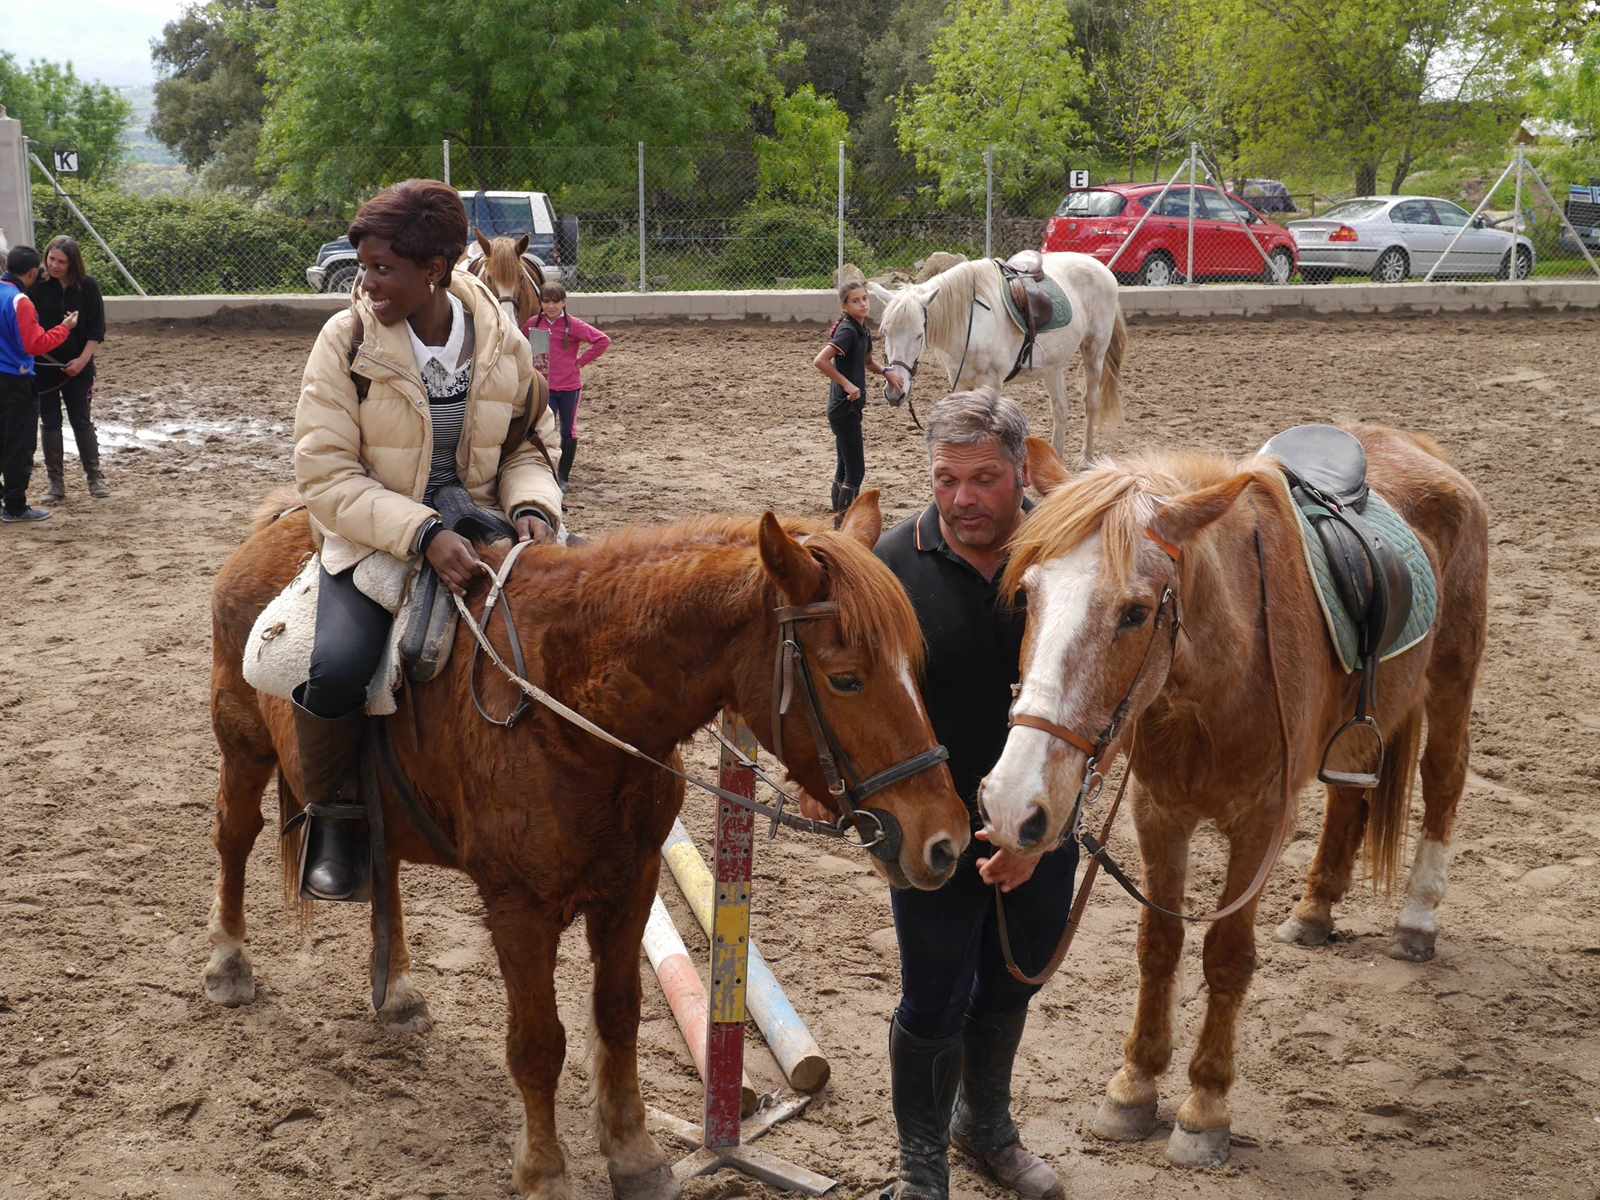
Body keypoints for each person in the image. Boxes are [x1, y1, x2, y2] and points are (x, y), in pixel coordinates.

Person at [806, 388, 1073, 1200]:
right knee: (934, 994)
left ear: (1021, 471)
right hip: (934, 826)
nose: (961, 499)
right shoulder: (890, 562)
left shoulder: (1064, 558)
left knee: (1012, 981)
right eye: (946, 478)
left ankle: (983, 1128)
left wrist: (1039, 838)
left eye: (984, 479)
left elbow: (1101, 700)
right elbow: (842, 693)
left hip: (1039, 819)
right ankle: (923, 1165)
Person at [292, 179, 563, 902]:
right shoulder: (345, 342)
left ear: (437, 269)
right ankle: (336, 823)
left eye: (383, 269)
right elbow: (324, 475)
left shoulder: (503, 342)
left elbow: (526, 446)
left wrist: (533, 507)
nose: (367, 283)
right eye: (364, 266)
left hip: (482, 525)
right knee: (340, 665)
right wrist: (422, 533)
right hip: (373, 533)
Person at [1, 245, 78, 525]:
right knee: (19, 445)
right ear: (33, 272)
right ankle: (15, 506)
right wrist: (64, 328)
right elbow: (35, 343)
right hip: (15, 380)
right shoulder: (19, 300)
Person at [30, 236, 109, 503]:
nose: (54, 265)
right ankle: (56, 483)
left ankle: (95, 476)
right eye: (51, 259)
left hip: (79, 366)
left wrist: (82, 361)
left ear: (73, 263)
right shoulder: (37, 286)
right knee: (50, 422)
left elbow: (97, 330)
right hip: (44, 368)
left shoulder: (88, 287)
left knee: (81, 420)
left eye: (61, 261)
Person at [521, 282, 608, 491]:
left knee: (568, 431)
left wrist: (579, 362)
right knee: (542, 430)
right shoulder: (533, 324)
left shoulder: (574, 325)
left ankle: (563, 476)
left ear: (563, 303)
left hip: (569, 388)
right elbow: (520, 344)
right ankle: (544, 472)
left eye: (555, 302)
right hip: (544, 388)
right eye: (546, 301)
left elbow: (602, 341)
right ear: (540, 303)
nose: (551, 306)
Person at [812, 280, 884, 514]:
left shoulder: (861, 328)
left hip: (849, 408)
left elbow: (867, 361)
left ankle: (838, 515)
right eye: (856, 301)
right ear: (845, 306)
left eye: (865, 298)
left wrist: (887, 373)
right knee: (856, 470)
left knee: (844, 466)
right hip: (844, 408)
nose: (863, 304)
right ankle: (844, 518)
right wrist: (847, 384)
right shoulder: (848, 330)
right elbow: (820, 360)